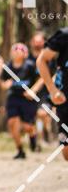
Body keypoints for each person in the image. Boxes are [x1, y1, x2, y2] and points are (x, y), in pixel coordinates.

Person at [0, 42, 43, 159]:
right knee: (12, 122)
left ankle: (33, 137)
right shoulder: (8, 67)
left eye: (20, 49)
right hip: (13, 97)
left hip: (27, 99)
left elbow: (41, 79)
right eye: (14, 49)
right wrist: (4, 85)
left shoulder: (30, 65)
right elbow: (2, 83)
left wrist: (33, 90)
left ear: (25, 53)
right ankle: (20, 150)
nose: (16, 51)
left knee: (27, 126)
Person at [36, 30, 68, 162]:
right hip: (64, 98)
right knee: (66, 152)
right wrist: (52, 90)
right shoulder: (64, 36)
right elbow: (41, 60)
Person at [30, 31, 54, 145]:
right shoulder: (28, 58)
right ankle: (36, 142)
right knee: (33, 116)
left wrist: (34, 89)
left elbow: (46, 76)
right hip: (29, 92)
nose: (37, 44)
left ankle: (46, 131)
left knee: (42, 114)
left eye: (40, 41)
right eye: (35, 41)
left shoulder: (48, 58)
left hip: (46, 91)